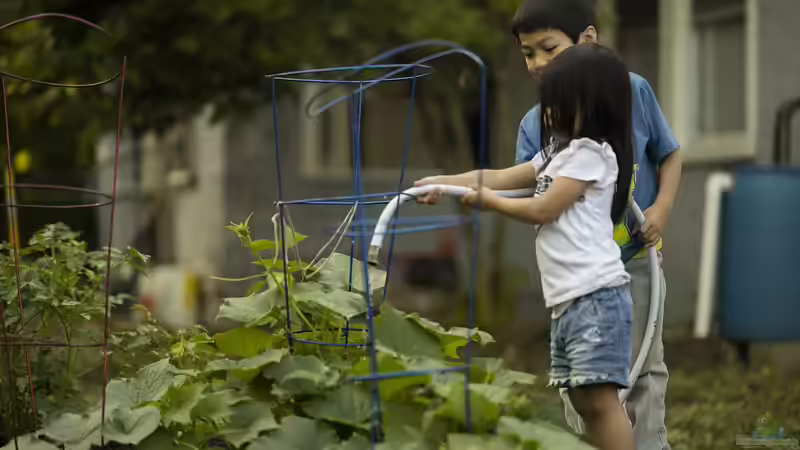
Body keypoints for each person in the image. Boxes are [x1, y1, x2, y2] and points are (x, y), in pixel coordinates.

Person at [415, 43, 636, 450]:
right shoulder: (557, 154)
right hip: (569, 301)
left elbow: (544, 209)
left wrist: (489, 204)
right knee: (584, 400)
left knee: (601, 402)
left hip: (595, 297)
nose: (548, 113)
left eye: (558, 103)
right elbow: (497, 176)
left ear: (592, 103)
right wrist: (441, 183)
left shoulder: (591, 154)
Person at [510, 0, 682, 448]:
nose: (539, 62)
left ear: (587, 39)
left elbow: (670, 154)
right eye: (529, 53)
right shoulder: (536, 124)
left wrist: (661, 209)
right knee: (585, 382)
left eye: (549, 48)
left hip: (635, 260)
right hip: (578, 279)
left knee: (640, 370)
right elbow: (535, 192)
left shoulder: (633, 92)